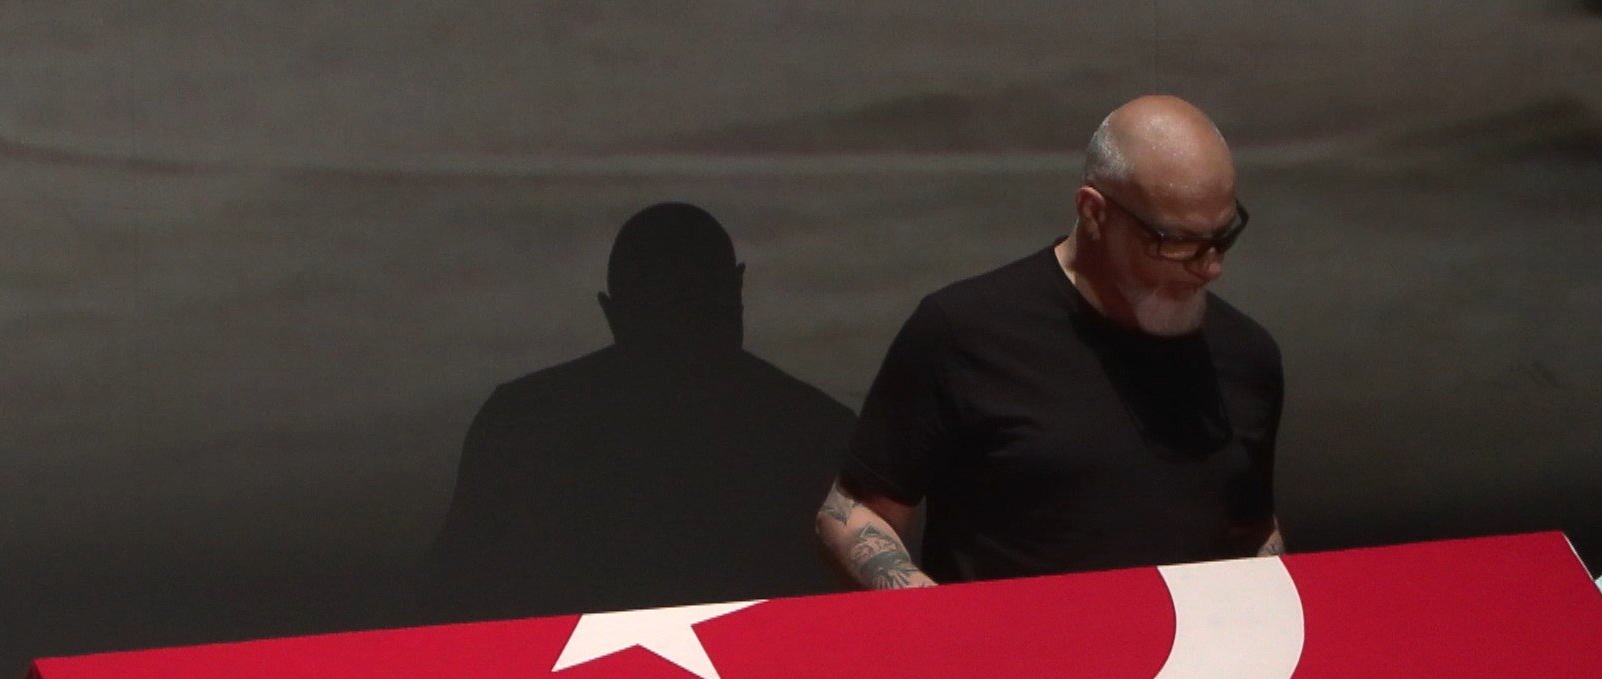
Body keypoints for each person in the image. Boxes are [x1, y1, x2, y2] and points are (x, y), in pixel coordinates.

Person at [816, 95, 1285, 589]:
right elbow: (853, 512)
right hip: (1006, 638)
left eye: (1222, 237)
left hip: (1191, 640)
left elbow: (1253, 530)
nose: (1210, 268)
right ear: (1094, 212)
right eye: (1176, 243)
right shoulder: (965, 332)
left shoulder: (1246, 356)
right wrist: (937, 615)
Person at [429, 203, 854, 619]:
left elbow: (454, 591)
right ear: (735, 291)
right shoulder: (818, 430)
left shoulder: (521, 422)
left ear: (612, 312)